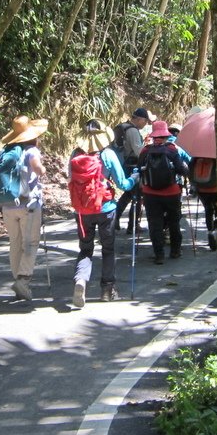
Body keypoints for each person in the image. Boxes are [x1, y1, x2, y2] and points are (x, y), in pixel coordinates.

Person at [68, 120, 139, 307]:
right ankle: (107, 290)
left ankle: (80, 281)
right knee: (108, 249)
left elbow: (71, 179)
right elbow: (123, 184)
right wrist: (135, 178)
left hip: (82, 211)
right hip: (106, 209)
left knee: (85, 249)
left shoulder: (75, 154)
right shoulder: (108, 154)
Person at [0, 115, 48, 301]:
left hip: (8, 206)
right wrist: (42, 170)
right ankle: (23, 279)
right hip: (29, 204)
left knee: (15, 243)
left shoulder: (5, 152)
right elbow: (38, 169)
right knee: (30, 243)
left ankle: (17, 278)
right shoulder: (31, 151)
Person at [137, 121, 190, 265]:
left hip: (150, 194)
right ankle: (175, 251)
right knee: (174, 222)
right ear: (166, 135)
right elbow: (181, 169)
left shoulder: (145, 151)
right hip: (171, 192)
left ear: (154, 136)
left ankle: (159, 255)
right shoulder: (172, 149)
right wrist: (186, 172)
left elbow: (139, 169)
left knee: (155, 224)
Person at [113, 107, 151, 232]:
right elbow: (139, 151)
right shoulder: (133, 131)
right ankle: (132, 225)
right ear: (140, 119)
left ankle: (116, 219)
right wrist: (147, 148)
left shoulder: (123, 127)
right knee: (138, 195)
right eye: (145, 121)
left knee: (128, 194)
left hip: (124, 163)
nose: (145, 124)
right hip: (133, 166)